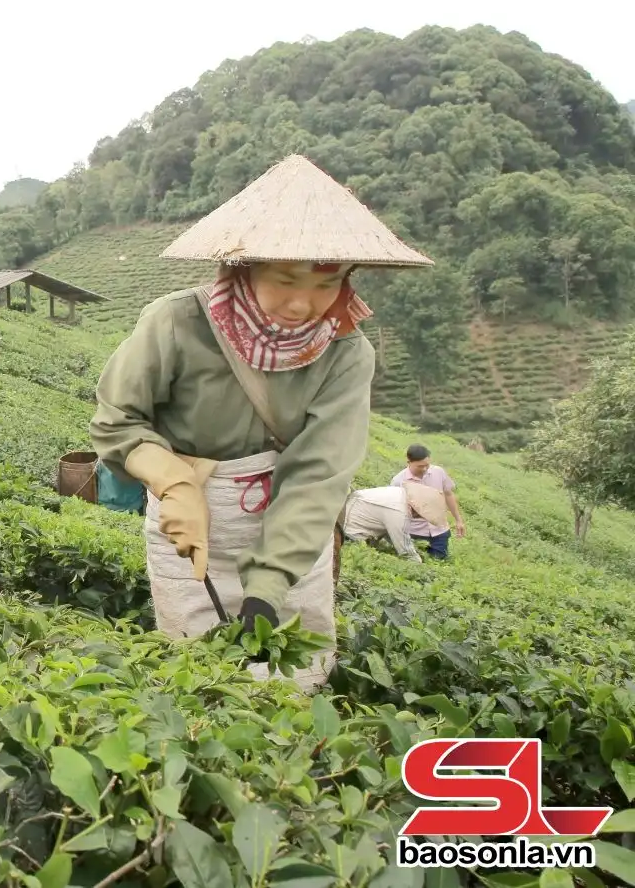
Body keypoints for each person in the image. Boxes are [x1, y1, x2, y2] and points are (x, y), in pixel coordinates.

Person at [88, 155, 433, 693]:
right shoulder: (177, 323)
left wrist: (270, 581)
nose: (304, 303)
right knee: (197, 674)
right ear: (243, 267)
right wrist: (172, 481)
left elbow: (319, 472)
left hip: (292, 533)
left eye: (328, 284)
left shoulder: (345, 353)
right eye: (284, 279)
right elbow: (117, 421)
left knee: (292, 678)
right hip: (189, 526)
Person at [390, 444, 465, 560]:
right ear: (408, 462)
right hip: (414, 532)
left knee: (439, 562)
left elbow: (448, 494)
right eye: (420, 466)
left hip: (439, 530)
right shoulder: (398, 481)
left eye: (427, 465)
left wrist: (458, 520)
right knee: (415, 563)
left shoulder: (438, 472)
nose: (424, 469)